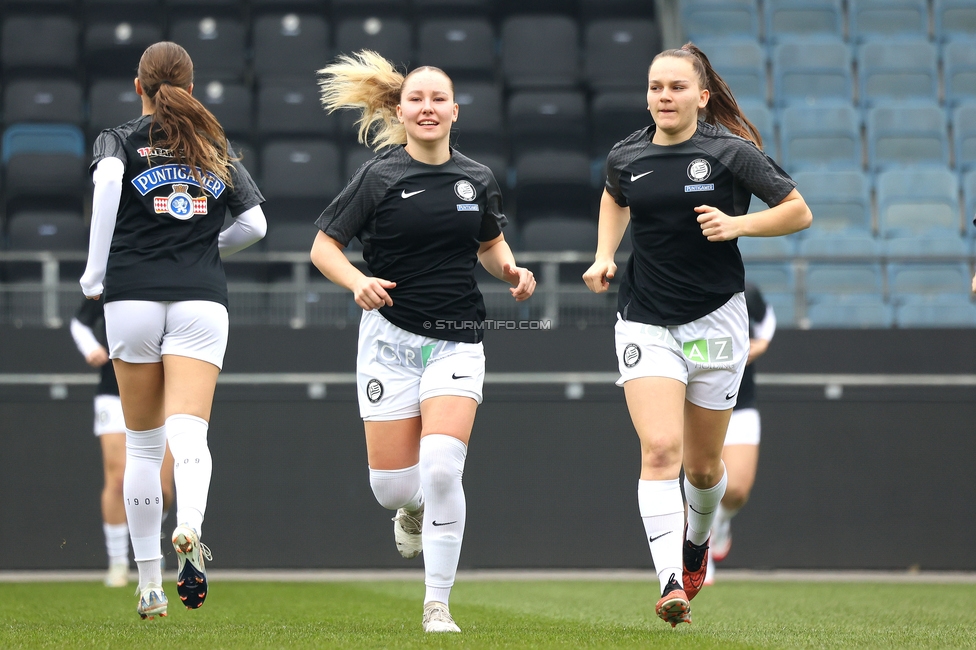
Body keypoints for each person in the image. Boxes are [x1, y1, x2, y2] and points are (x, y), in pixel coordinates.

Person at [582, 43, 811, 627]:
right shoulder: (626, 155)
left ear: (701, 96)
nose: (664, 96)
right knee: (661, 449)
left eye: (677, 87)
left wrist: (739, 224)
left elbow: (796, 211)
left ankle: (698, 542)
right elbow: (614, 199)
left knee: (704, 470)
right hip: (645, 318)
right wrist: (605, 255)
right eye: (656, 86)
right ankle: (669, 581)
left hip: (716, 320)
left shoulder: (731, 152)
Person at [310, 50, 536, 634]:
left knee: (440, 469)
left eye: (439, 99)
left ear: (455, 111)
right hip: (387, 339)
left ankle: (437, 603)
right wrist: (357, 281)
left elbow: (489, 246)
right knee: (392, 489)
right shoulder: (378, 176)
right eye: (417, 99)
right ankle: (409, 513)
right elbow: (323, 247)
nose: (428, 108)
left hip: (458, 339)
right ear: (401, 109)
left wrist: (511, 271)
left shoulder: (477, 179)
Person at [79, 41, 266, 620]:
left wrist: (95, 270)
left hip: (131, 296)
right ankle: (189, 527)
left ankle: (149, 585)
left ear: (139, 86)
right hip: (201, 300)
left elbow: (109, 185)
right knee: (189, 433)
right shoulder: (213, 143)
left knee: (142, 444)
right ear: (191, 84)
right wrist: (207, 243)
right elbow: (256, 223)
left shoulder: (117, 138)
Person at [70, 297, 176, 588]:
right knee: (117, 479)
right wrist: (91, 348)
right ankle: (118, 563)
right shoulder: (112, 278)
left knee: (163, 486)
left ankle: (154, 537)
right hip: (113, 393)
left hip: (161, 393)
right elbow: (79, 323)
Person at [704, 282, 776, 584]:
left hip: (740, 403)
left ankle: (719, 524)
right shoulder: (681, 287)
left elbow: (767, 318)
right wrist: (734, 348)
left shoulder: (748, 290)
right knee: (700, 480)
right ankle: (697, 557)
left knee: (736, 491)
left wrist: (761, 343)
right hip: (697, 399)